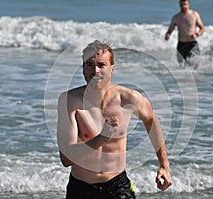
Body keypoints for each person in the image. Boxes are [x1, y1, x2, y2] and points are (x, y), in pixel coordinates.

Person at [57, 40, 172, 199]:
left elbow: (152, 122)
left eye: (101, 65)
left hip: (116, 186)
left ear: (112, 69)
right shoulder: (69, 101)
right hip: (80, 187)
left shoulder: (129, 98)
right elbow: (66, 159)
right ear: (83, 69)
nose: (95, 70)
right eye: (89, 65)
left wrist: (164, 166)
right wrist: (101, 138)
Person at [165, 0, 205, 68]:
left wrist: (197, 34)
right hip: (181, 44)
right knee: (182, 67)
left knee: (195, 65)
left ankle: (196, 78)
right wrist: (168, 35)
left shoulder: (194, 14)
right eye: (181, 5)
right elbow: (170, 30)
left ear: (188, 4)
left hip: (192, 43)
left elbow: (202, 29)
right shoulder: (176, 17)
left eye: (185, 4)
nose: (183, 6)